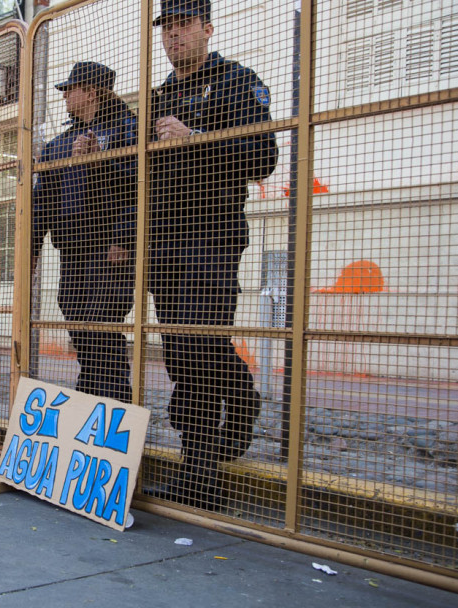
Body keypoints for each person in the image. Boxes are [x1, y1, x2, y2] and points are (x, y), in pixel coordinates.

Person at [147, 0, 278, 509]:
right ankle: (207, 451)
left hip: (211, 235)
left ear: (207, 28)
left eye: (183, 25)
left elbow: (262, 157)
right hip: (165, 241)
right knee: (181, 354)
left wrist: (196, 138)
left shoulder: (235, 81)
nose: (173, 36)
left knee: (200, 350)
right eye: (166, 27)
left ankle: (203, 479)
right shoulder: (162, 94)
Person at [32, 61, 138, 403]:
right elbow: (41, 202)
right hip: (73, 250)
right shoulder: (59, 145)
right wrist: (32, 249)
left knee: (101, 324)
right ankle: (91, 398)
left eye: (70, 89)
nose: (64, 96)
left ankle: (113, 402)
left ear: (90, 92)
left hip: (109, 250)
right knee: (79, 324)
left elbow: (139, 187)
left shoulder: (128, 129)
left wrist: (124, 237)